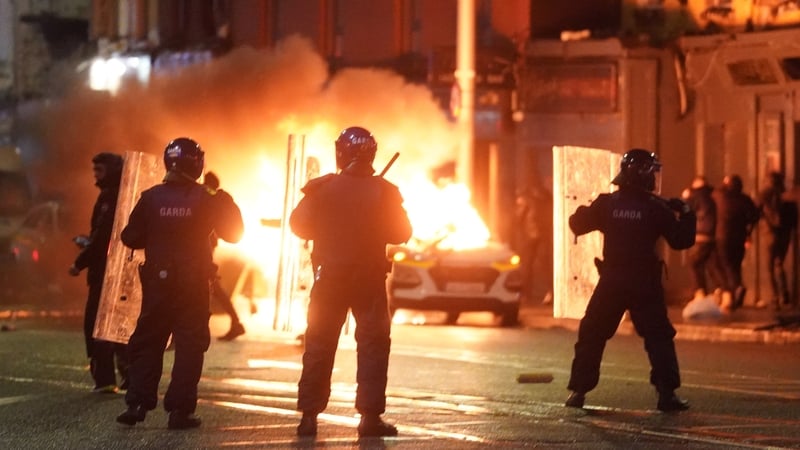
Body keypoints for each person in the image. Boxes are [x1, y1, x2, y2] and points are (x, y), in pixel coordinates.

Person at [289, 126, 412, 438]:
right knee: (373, 346)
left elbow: (298, 224)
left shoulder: (323, 187)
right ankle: (369, 418)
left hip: (329, 279)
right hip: (368, 281)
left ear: (341, 152)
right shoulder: (384, 191)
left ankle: (309, 417)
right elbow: (402, 233)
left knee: (319, 343)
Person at [115, 137, 244, 430]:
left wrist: (159, 234)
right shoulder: (209, 196)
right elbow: (235, 233)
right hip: (193, 284)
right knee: (189, 346)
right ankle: (179, 411)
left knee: (148, 341)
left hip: (158, 284)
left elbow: (129, 237)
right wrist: (224, 199)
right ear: (196, 164)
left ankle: (136, 403)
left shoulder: (150, 197)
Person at [565, 149, 695, 412]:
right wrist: (687, 213)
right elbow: (681, 240)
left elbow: (577, 224)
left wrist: (591, 206)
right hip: (645, 283)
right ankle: (666, 394)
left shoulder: (608, 204)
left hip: (612, 281)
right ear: (644, 174)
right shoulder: (656, 208)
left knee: (592, 334)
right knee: (658, 338)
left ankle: (578, 392)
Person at [69, 152, 130, 393]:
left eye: (100, 170)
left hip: (106, 273)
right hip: (118, 272)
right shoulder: (124, 194)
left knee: (98, 324)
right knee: (116, 324)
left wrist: (80, 262)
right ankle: (129, 376)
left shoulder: (109, 197)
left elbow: (103, 237)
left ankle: (105, 378)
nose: (95, 175)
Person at [202, 171, 246, 341]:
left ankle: (236, 323)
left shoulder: (211, 199)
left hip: (202, 251)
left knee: (210, 288)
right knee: (215, 289)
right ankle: (236, 322)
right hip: (205, 250)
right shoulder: (216, 200)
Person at [712, 174, 759, 311]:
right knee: (736, 265)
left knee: (724, 265)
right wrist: (748, 232)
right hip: (740, 237)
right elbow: (754, 216)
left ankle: (735, 288)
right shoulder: (745, 199)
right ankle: (735, 293)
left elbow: (715, 193)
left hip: (722, 235)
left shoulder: (720, 196)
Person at [758, 172, 798, 310]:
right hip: (784, 235)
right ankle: (784, 294)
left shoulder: (764, 194)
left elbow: (755, 212)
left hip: (769, 234)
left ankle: (775, 297)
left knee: (769, 267)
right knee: (779, 264)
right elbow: (793, 220)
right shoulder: (787, 197)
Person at [680, 175, 719, 303]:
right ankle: (720, 289)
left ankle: (700, 292)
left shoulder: (696, 195)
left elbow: (685, 210)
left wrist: (685, 198)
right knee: (710, 264)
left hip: (700, 235)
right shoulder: (712, 195)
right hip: (712, 235)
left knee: (694, 264)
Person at [513, 183, 553, 304]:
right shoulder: (543, 200)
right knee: (533, 265)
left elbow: (519, 219)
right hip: (537, 236)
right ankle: (530, 294)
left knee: (532, 265)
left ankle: (527, 294)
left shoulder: (530, 201)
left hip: (534, 236)